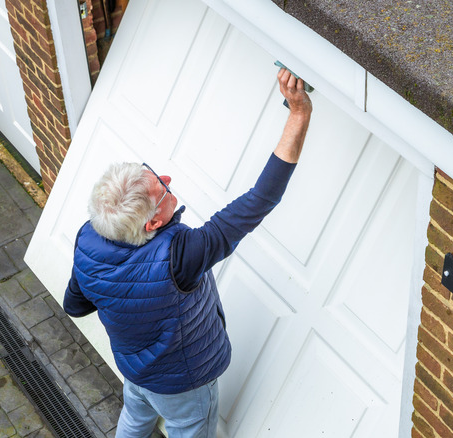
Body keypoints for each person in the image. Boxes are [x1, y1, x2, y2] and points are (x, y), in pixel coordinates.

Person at [62, 68, 312, 437]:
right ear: (152, 224)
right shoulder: (179, 258)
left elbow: (75, 305)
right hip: (183, 385)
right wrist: (298, 114)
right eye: (160, 190)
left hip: (135, 371)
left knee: (134, 419)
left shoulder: (88, 239)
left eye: (152, 173)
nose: (167, 180)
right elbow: (261, 199)